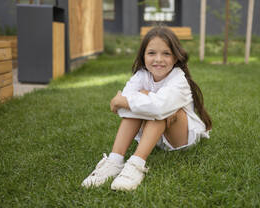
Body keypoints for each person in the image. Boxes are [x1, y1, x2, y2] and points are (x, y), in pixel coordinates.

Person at [81, 26, 212, 191]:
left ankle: (136, 165)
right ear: (143, 56)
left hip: (181, 139)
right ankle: (114, 161)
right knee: (140, 104)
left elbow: (155, 107)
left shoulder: (178, 80)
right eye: (151, 53)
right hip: (155, 137)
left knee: (164, 110)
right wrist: (137, 99)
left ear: (176, 57)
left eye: (166, 53)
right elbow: (124, 108)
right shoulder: (142, 75)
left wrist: (134, 98)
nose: (158, 59)